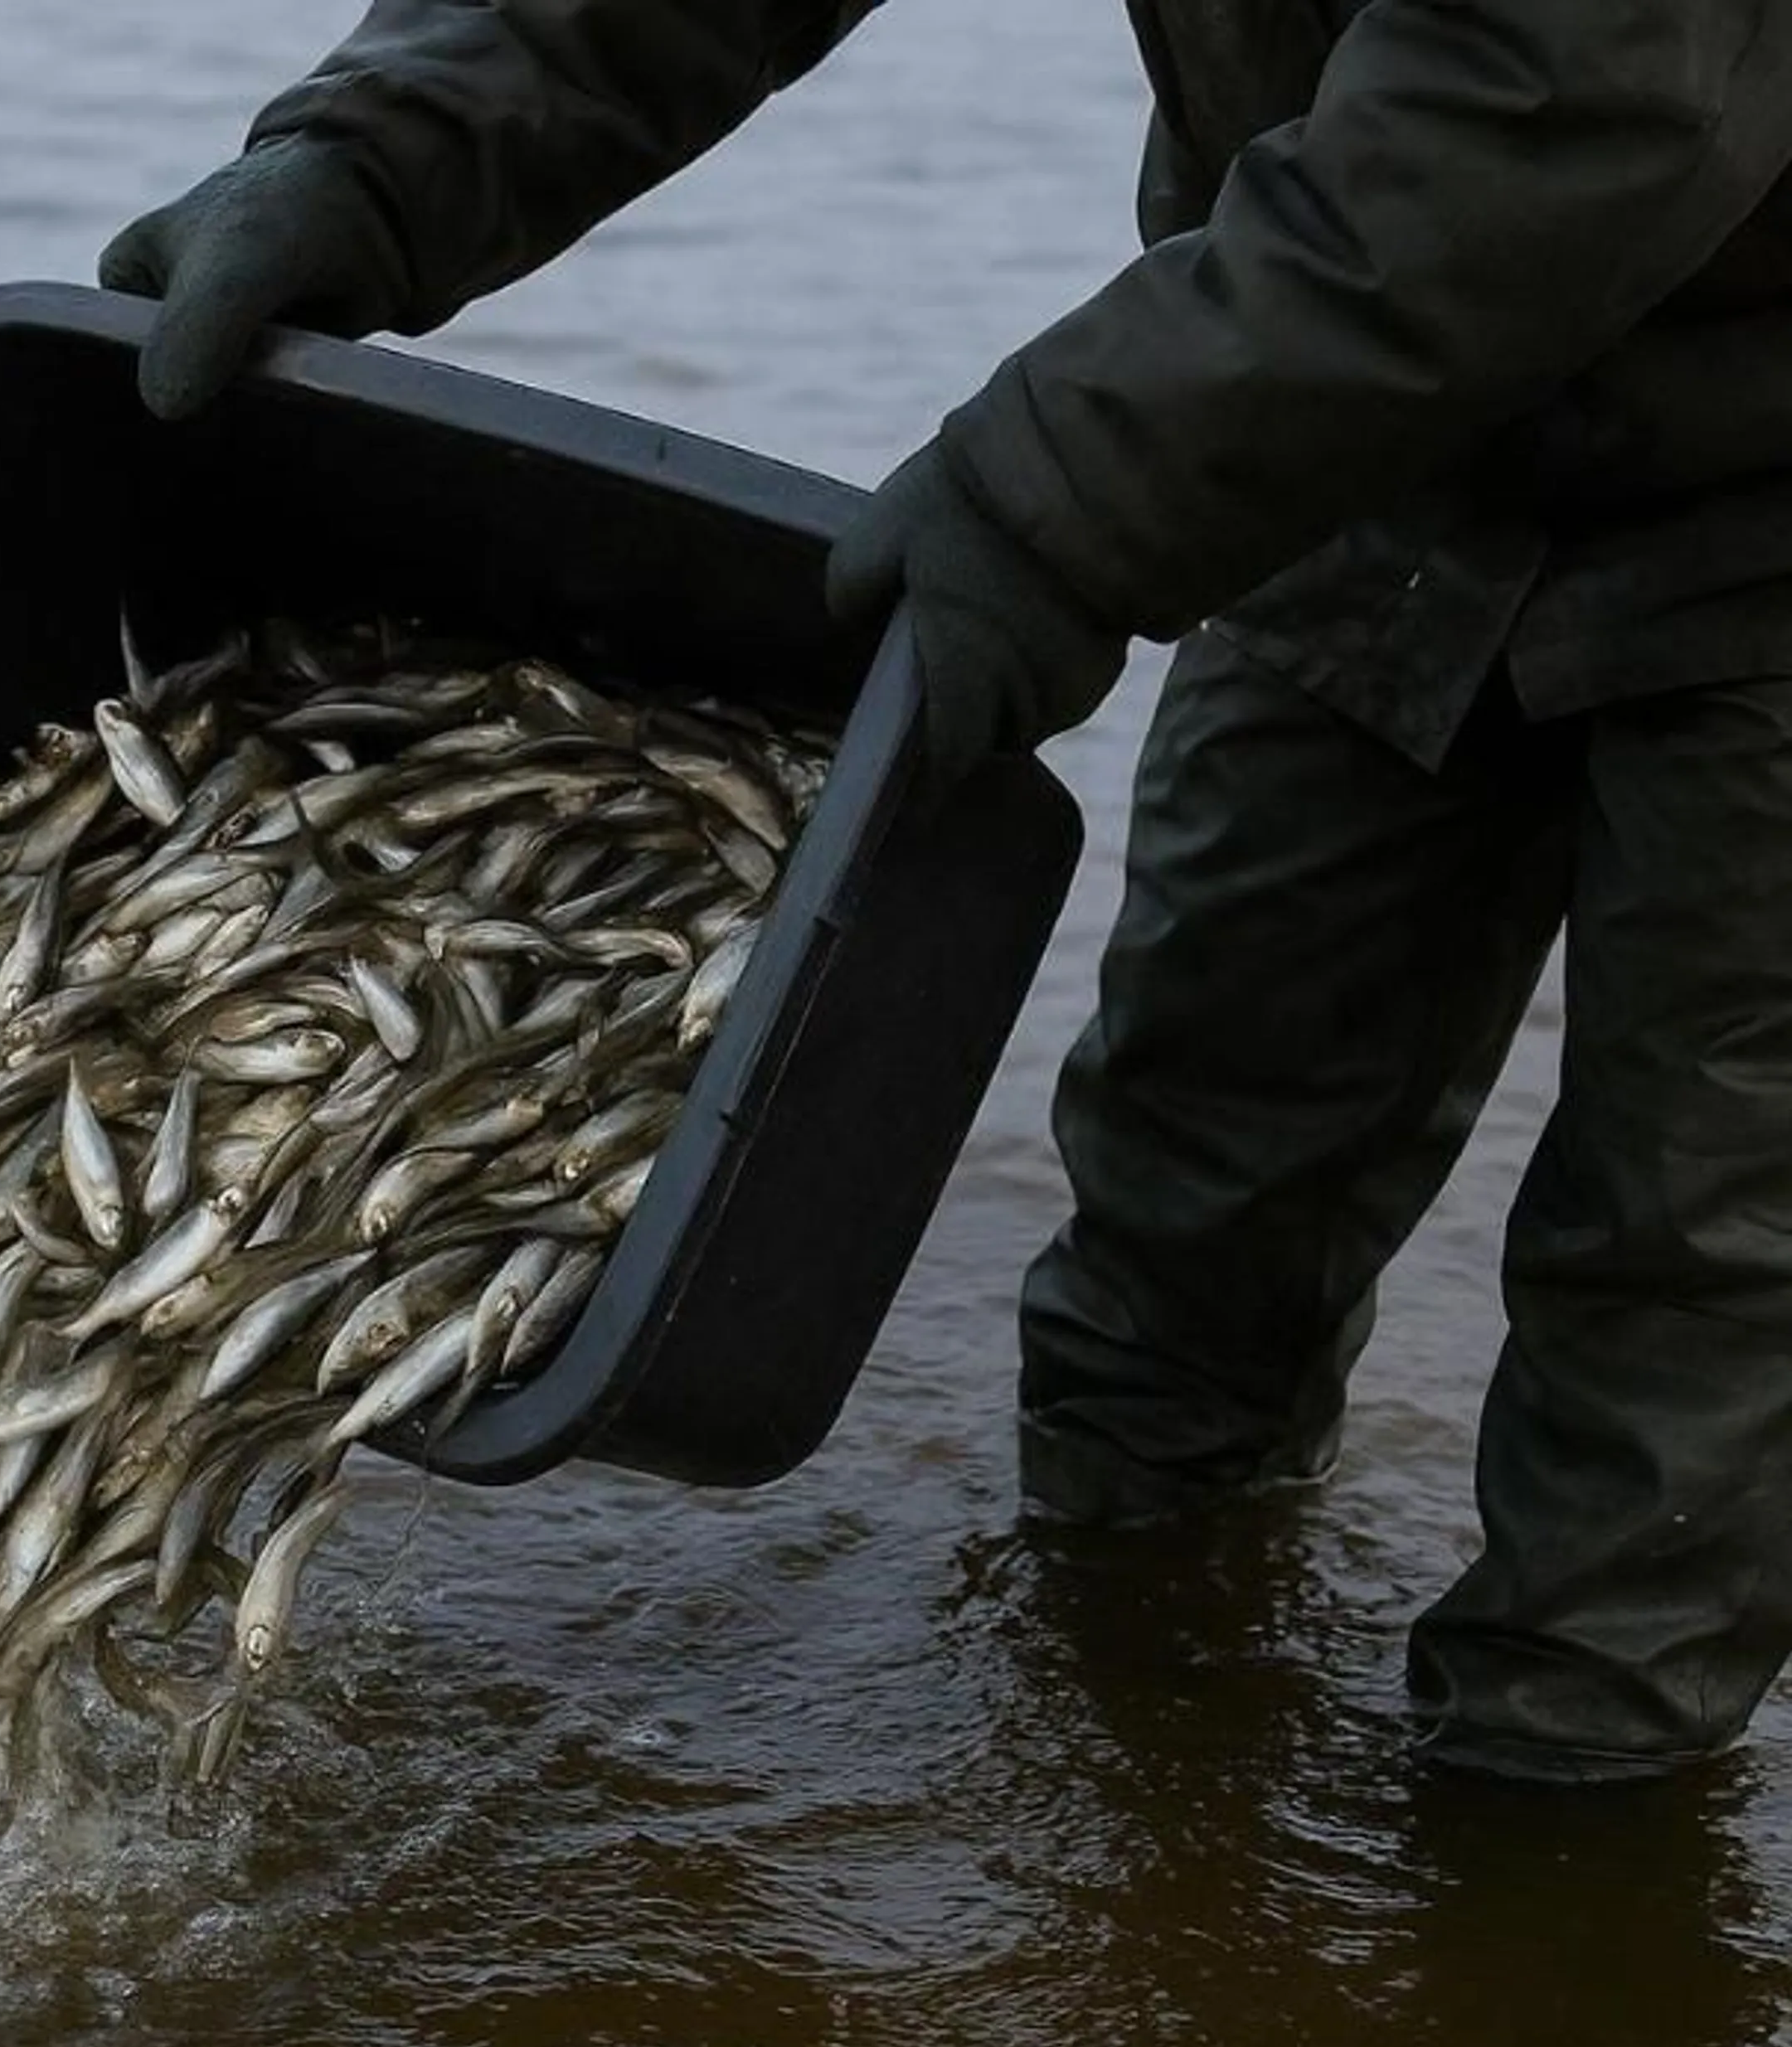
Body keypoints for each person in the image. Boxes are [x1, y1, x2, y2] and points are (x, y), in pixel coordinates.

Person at [97, 0, 1792, 1784]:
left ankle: (1557, 1901)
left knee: (1695, 1290)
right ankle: (1141, 1805)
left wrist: (1059, 499)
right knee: (1193, 1194)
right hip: (1360, 435)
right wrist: (379, 155)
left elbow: (1593, 98)